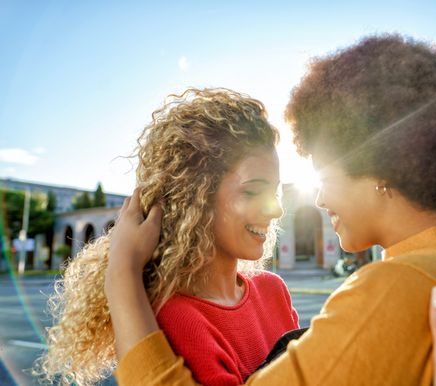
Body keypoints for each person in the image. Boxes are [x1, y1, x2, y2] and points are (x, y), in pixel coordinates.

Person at [108, 34, 436, 385]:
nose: (318, 198)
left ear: (378, 163)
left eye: (323, 172)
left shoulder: (394, 287)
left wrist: (121, 277)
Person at [37, 88, 300, 385]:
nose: (276, 210)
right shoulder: (177, 318)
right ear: (195, 199)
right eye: (253, 191)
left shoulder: (273, 290)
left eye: (274, 191)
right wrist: (122, 269)